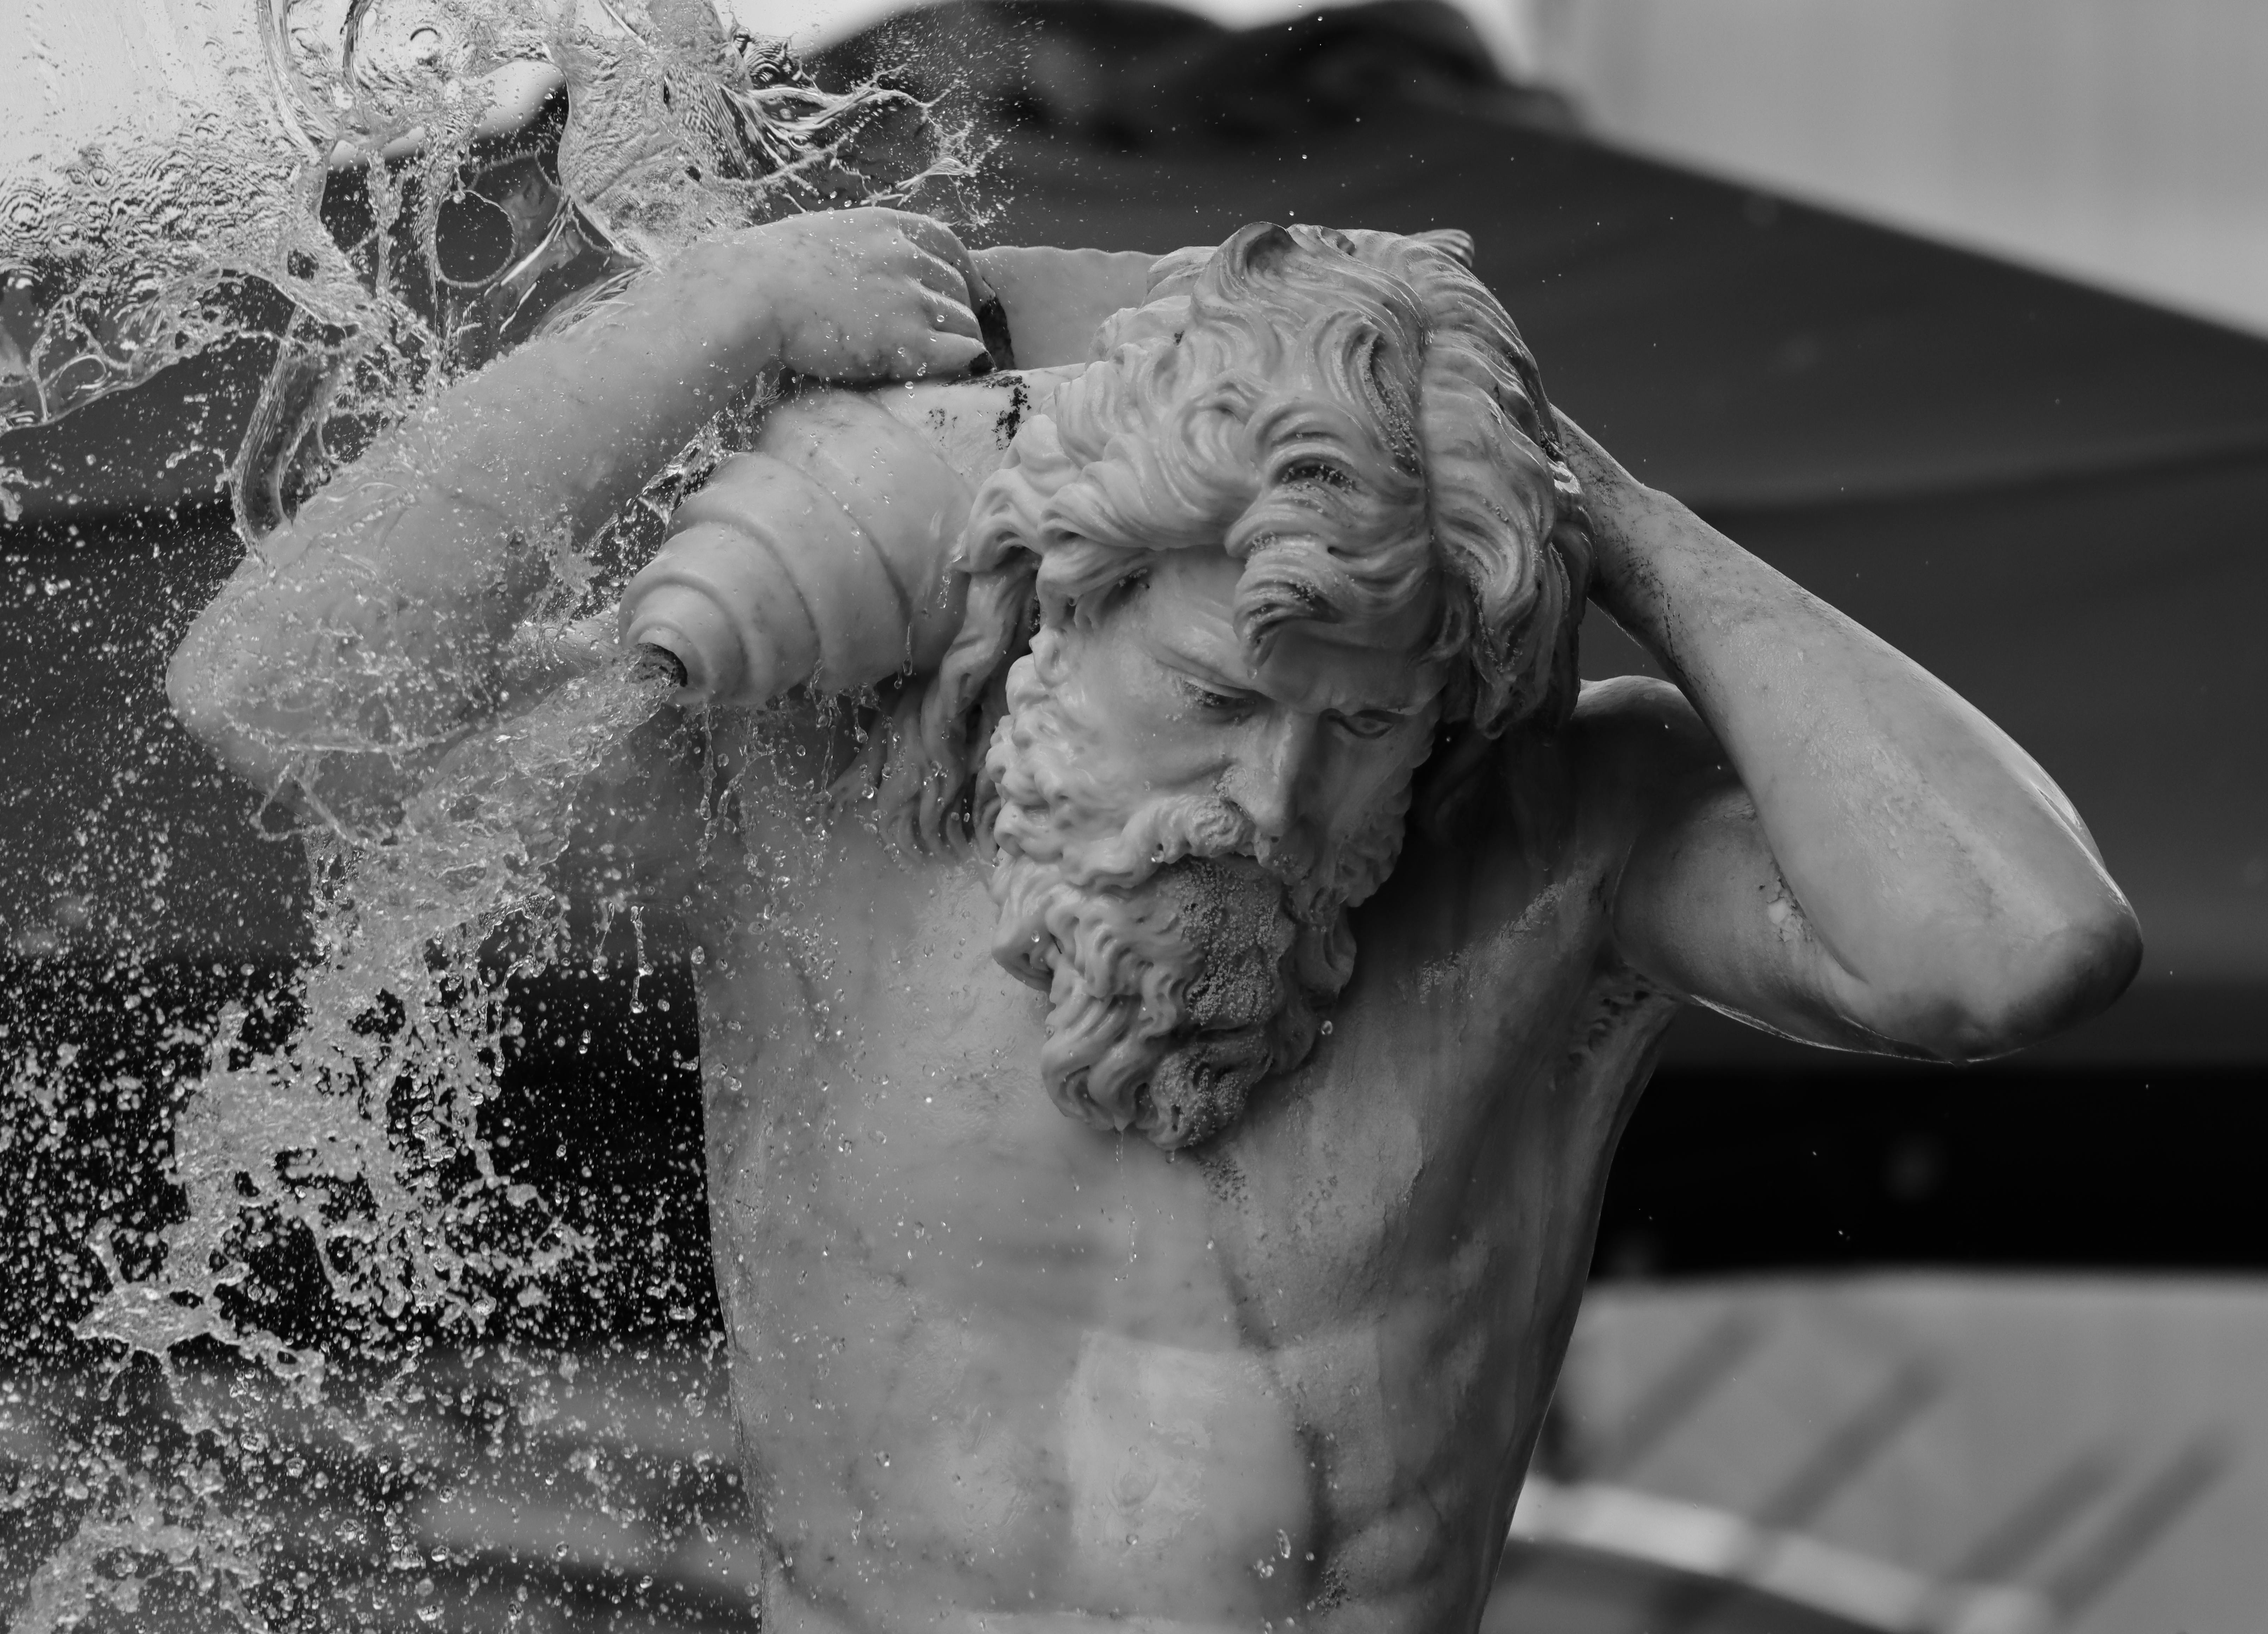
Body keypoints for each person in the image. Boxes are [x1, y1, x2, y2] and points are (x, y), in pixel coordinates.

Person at [169, 207, 2140, 1633]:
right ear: (1059, 606)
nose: (1274, 805)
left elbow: (2011, 947)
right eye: (1214, 698)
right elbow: (275, 696)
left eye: (1361, 729)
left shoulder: (1553, 855)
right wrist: (717, 310)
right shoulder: (801, 795)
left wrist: (1601, 512)